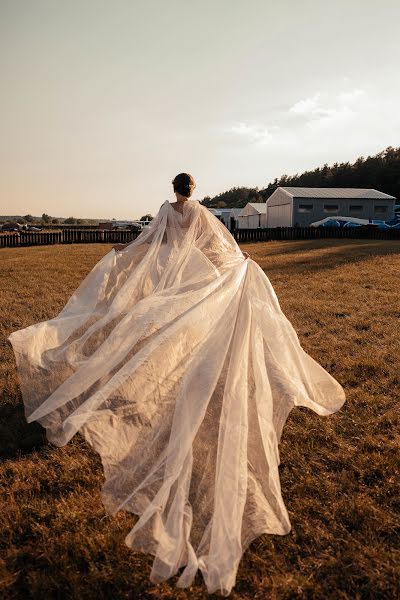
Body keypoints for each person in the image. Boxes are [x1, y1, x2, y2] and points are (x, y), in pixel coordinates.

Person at [7, 172, 346, 596]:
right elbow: (221, 248)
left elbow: (151, 243)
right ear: (195, 189)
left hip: (179, 277)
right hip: (193, 277)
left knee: (165, 324)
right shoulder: (200, 213)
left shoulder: (168, 212)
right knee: (178, 326)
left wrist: (124, 251)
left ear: (173, 189)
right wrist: (233, 267)